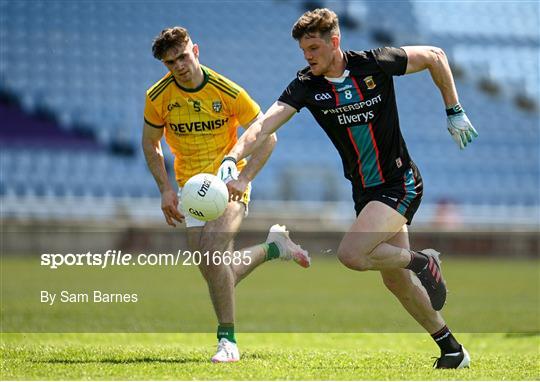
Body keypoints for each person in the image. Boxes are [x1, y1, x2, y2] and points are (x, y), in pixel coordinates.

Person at [219, 8, 478, 369]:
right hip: (366, 192)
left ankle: (424, 261)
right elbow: (263, 125)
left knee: (352, 255)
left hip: (400, 183)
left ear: (334, 42)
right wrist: (233, 158)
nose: (308, 56)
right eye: (303, 51)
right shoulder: (307, 85)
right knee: (396, 282)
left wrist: (454, 110)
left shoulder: (375, 63)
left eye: (313, 48)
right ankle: (452, 349)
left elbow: (436, 56)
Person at [142, 27, 310, 363]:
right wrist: (165, 189)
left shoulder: (227, 90)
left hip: (227, 186)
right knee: (212, 266)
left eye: (183, 57)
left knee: (213, 256)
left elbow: (268, 136)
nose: (179, 66)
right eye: (170, 62)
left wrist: (243, 176)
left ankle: (227, 341)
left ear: (196, 51)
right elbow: (150, 143)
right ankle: (275, 247)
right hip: (191, 192)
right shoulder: (157, 96)